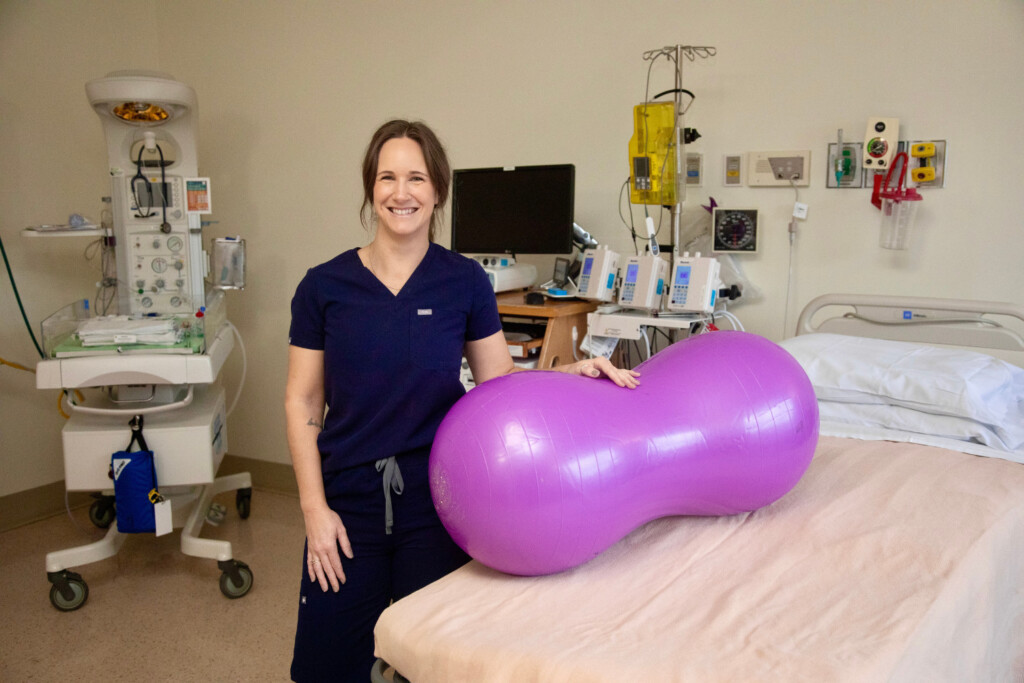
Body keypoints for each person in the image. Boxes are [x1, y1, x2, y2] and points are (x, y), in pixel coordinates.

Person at [285, 119, 640, 682]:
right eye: (387, 178)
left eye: (416, 178)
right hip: (348, 500)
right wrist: (313, 510)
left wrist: (570, 374)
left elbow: (498, 387)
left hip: (440, 499)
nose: (401, 193)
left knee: (435, 661)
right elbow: (303, 403)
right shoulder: (324, 287)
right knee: (325, 669)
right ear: (370, 189)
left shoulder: (464, 281)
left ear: (438, 191)